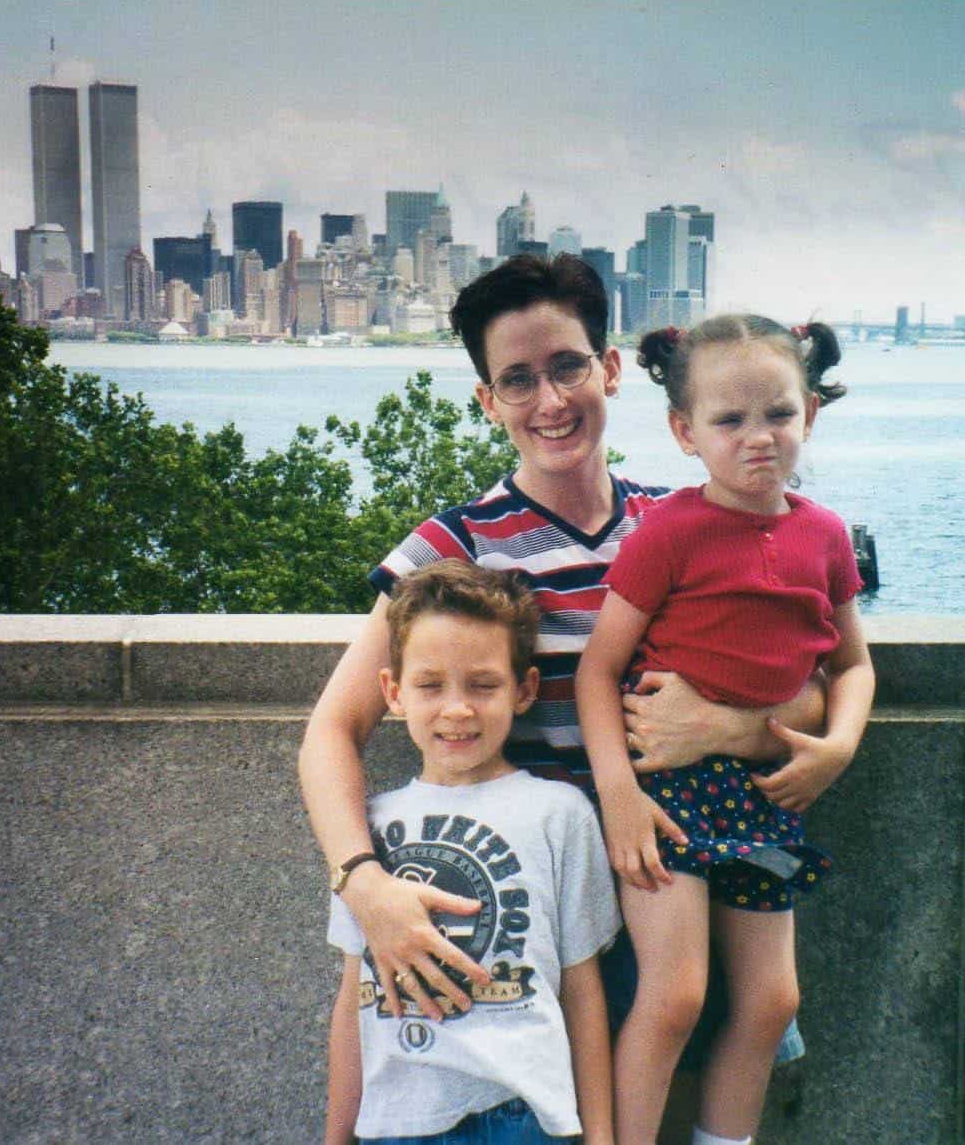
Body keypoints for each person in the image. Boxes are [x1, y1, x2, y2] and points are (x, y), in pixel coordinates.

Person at [301, 255, 825, 1143]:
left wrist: (733, 727)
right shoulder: (452, 546)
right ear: (487, 401)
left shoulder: (691, 517)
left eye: (567, 366)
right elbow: (331, 730)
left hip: (674, 865)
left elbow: (805, 680)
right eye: (517, 380)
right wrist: (366, 886)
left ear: (610, 368)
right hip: (537, 899)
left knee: (719, 1040)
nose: (549, 400)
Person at [575, 315, 875, 1145]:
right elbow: (598, 670)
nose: (757, 439)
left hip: (766, 792)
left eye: (777, 414)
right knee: (673, 996)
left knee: (773, 1000)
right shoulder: (667, 532)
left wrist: (839, 745)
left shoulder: (824, 537)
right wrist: (620, 795)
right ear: (684, 431)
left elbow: (851, 665)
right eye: (728, 420)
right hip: (665, 791)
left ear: (808, 413)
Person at [328, 560, 619, 1143]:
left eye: (483, 685)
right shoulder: (368, 828)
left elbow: (583, 991)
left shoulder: (560, 814)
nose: (457, 709)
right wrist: (338, 1135)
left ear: (524, 691)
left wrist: (600, 1135)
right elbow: (352, 998)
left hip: (528, 1113)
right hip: (400, 1119)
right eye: (431, 685)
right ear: (394, 692)